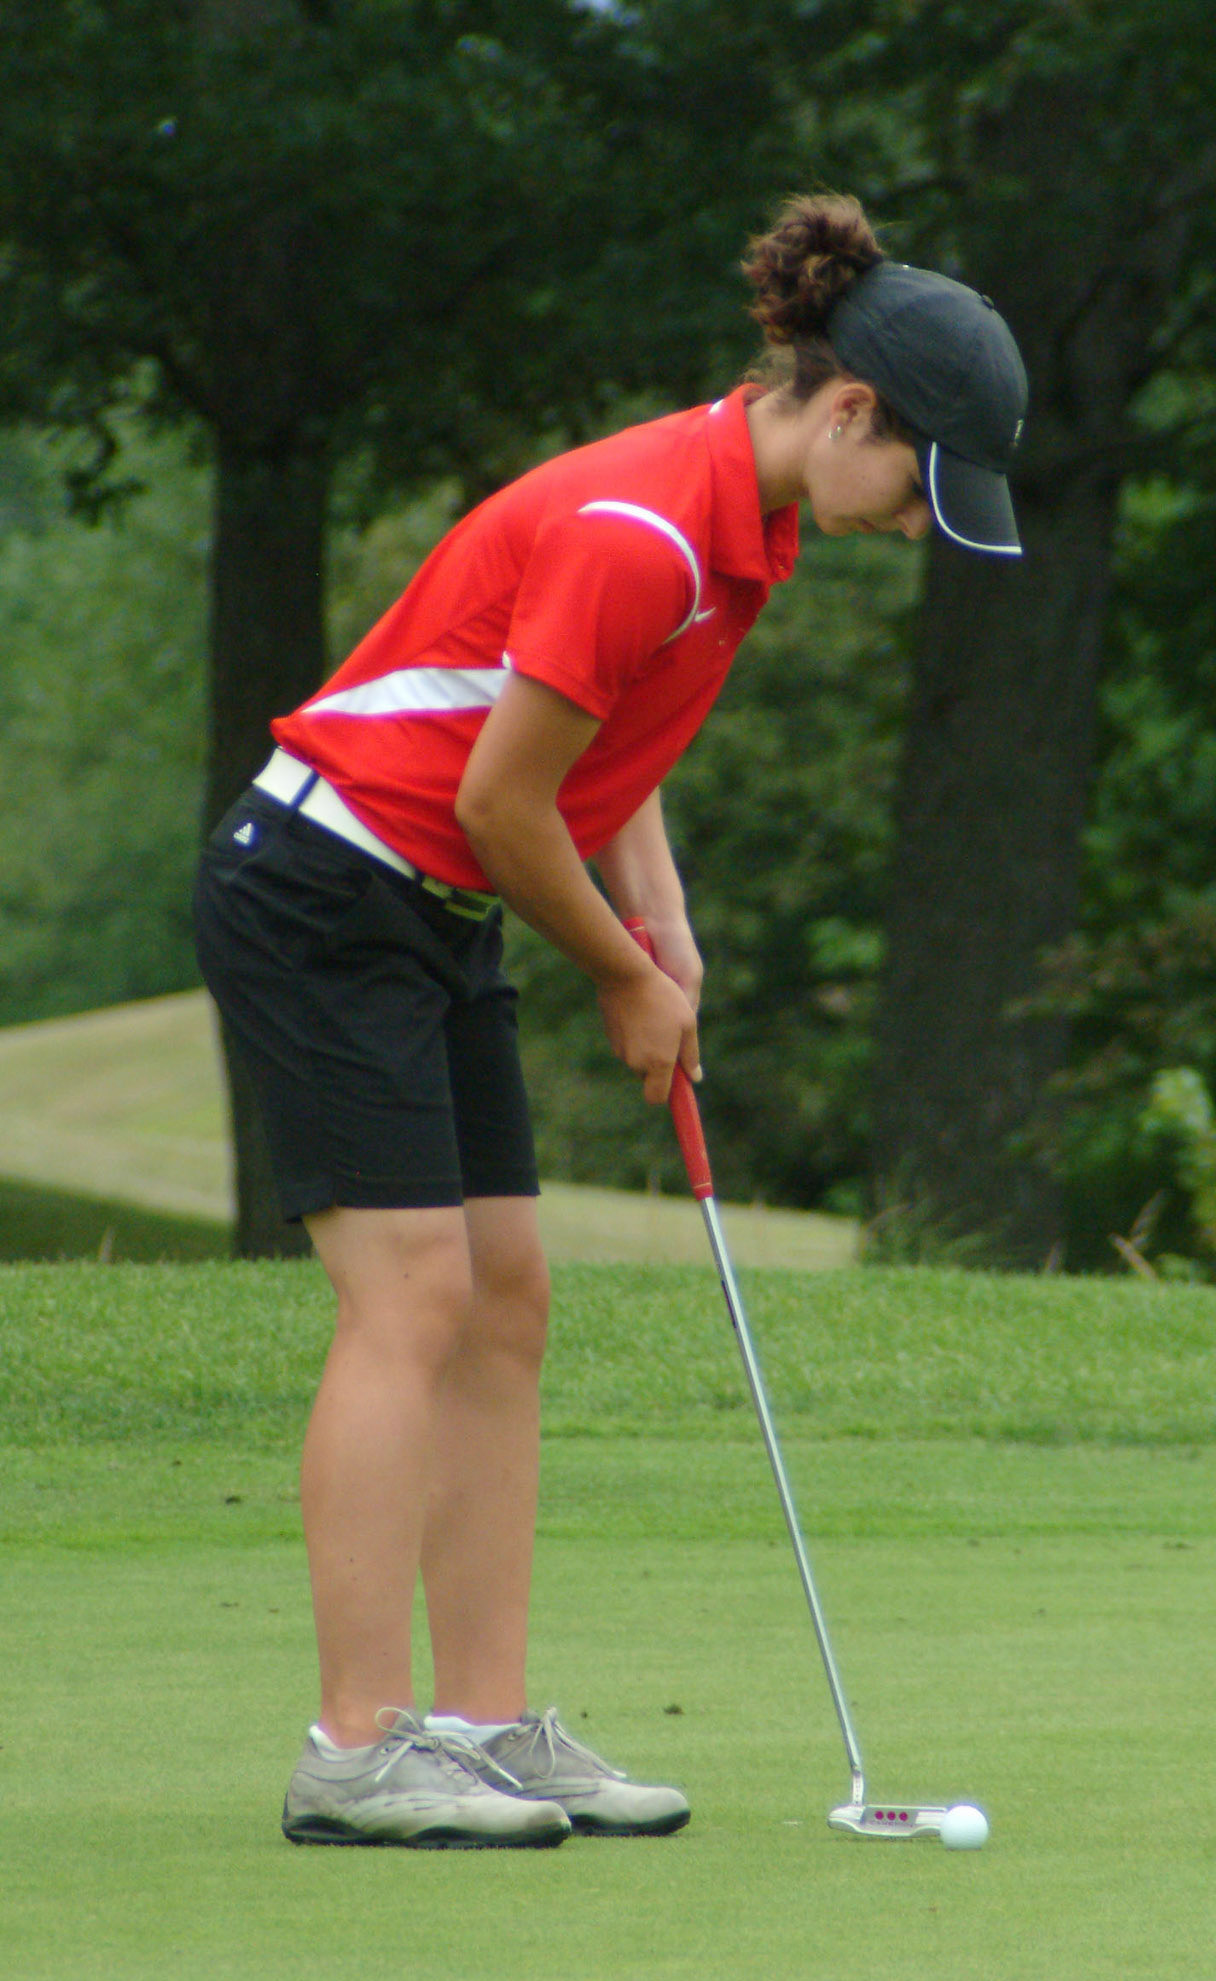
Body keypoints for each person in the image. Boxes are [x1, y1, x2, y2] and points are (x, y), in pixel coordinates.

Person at [192, 191, 1027, 1849]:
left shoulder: (743, 526)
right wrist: (624, 977)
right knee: (412, 1296)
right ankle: (353, 1747)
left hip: (434, 904)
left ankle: (483, 1725)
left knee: (505, 1298)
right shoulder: (641, 529)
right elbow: (506, 803)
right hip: (325, 890)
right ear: (847, 410)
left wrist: (666, 925)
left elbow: (597, 745)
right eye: (914, 486)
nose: (910, 527)